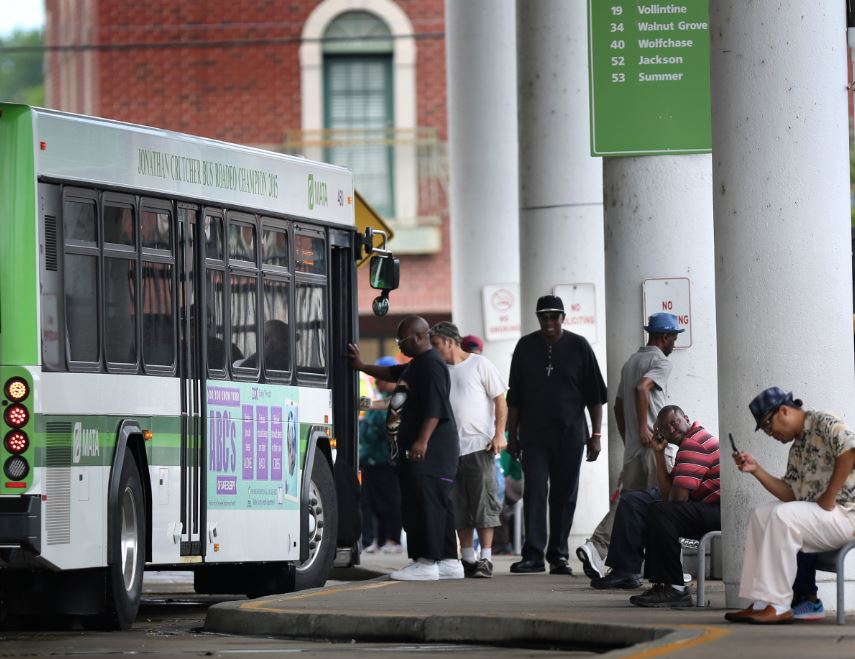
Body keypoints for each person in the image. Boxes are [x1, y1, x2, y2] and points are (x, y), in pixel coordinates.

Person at [724, 387, 855, 624]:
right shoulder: (797, 448)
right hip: (826, 517)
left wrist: (829, 495)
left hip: (848, 513)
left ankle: (779, 604)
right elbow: (790, 494)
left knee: (782, 516)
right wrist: (756, 470)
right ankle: (762, 602)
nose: (768, 433)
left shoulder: (822, 420)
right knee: (761, 514)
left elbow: (850, 451)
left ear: (783, 410)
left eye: (766, 425)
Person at [347, 316, 463, 581]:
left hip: (431, 451)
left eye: (403, 341)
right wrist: (362, 366)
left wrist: (422, 441)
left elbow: (437, 408)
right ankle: (448, 561)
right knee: (438, 504)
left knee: (425, 504)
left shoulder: (431, 365)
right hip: (433, 452)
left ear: (420, 337)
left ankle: (426, 562)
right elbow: (391, 374)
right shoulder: (418, 365)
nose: (400, 346)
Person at [507, 294, 607, 575]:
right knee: (535, 491)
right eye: (544, 316)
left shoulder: (579, 346)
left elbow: (595, 396)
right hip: (534, 436)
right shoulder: (525, 346)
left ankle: (558, 555)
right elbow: (514, 398)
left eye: (554, 316)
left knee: (564, 495)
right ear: (538, 318)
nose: (549, 321)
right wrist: (512, 438)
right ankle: (534, 555)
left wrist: (596, 434)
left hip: (571, 435)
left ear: (564, 317)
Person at [577, 313, 682, 579]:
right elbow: (642, 388)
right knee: (663, 502)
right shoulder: (659, 361)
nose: (674, 344)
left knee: (630, 505)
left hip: (635, 448)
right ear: (664, 337)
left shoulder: (631, 361)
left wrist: (631, 438)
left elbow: (617, 407)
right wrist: (647, 430)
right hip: (653, 448)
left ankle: (608, 554)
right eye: (674, 338)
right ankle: (600, 547)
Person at [587, 406, 720, 608]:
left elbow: (675, 500)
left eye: (675, 422)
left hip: (720, 512)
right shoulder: (689, 442)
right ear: (660, 434)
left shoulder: (694, 444)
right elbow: (670, 496)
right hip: (707, 506)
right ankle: (647, 579)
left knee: (660, 512)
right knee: (642, 504)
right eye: (665, 428)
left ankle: (674, 588)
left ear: (686, 418)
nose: (672, 429)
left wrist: (667, 499)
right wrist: (659, 454)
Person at [429, 321, 508, 578]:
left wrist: (499, 434)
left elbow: (500, 399)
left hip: (480, 445)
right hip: (450, 450)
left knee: (483, 503)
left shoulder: (479, 364)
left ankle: (486, 558)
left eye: (436, 344)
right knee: (459, 505)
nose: (434, 349)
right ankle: (467, 558)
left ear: (450, 341)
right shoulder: (439, 370)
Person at [359, 356, 403, 555]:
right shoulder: (379, 401)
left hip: (387, 459)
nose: (377, 381)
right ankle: (380, 538)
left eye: (381, 377)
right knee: (373, 501)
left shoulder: (399, 400)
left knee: (391, 500)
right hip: (369, 459)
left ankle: (393, 539)